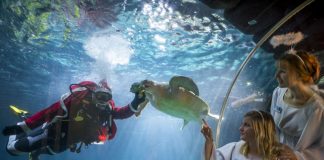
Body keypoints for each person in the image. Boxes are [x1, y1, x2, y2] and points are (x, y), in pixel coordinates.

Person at [2, 79, 145, 160]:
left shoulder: (106, 109)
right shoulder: (76, 101)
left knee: (53, 151)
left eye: (106, 98)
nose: (102, 101)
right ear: (93, 94)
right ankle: (22, 117)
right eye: (100, 96)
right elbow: (49, 112)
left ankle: (36, 153)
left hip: (69, 141)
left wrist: (136, 102)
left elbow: (121, 113)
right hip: (52, 133)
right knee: (12, 150)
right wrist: (23, 126)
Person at [271, 50, 324, 160]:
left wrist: (298, 157)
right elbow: (273, 127)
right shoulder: (278, 92)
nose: (276, 75)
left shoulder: (317, 109)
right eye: (277, 70)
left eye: (283, 71)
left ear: (300, 74)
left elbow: (320, 147)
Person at [201, 110, 297, 160]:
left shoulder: (280, 153)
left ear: (260, 129)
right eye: (242, 124)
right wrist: (209, 140)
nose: (240, 128)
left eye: (246, 125)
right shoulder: (235, 147)